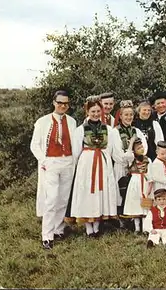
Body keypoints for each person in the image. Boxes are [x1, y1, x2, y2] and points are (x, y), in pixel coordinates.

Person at [66, 96, 134, 237]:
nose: (96, 114)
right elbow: (76, 151)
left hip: (103, 161)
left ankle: (97, 226)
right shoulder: (81, 129)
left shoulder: (108, 129)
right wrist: (83, 163)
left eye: (98, 111)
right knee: (88, 193)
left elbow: (110, 148)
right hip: (87, 163)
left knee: (101, 192)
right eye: (93, 111)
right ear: (87, 112)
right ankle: (88, 228)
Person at [30, 90, 77, 250]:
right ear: (54, 103)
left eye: (66, 103)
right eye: (60, 103)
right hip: (50, 162)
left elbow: (74, 144)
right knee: (51, 198)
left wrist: (74, 161)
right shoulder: (42, 122)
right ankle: (47, 235)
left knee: (63, 198)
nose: (63, 106)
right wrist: (44, 161)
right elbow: (34, 145)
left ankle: (59, 229)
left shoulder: (72, 121)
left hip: (68, 161)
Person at [114, 100, 147, 218]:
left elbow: (144, 147)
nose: (129, 117)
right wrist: (128, 158)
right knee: (121, 190)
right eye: (126, 115)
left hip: (136, 166)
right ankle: (121, 217)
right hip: (121, 166)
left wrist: (136, 158)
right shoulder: (115, 131)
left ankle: (134, 217)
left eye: (131, 115)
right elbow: (117, 152)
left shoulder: (136, 131)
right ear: (121, 116)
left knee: (135, 192)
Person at [122, 138, 153, 234]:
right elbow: (126, 156)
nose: (142, 149)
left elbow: (150, 172)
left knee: (145, 205)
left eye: (142, 147)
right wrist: (131, 143)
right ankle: (137, 228)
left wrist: (150, 184)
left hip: (145, 182)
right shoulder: (132, 160)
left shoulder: (148, 160)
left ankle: (145, 228)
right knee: (135, 204)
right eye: (139, 148)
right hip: (135, 183)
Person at [148, 141, 166, 208]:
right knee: (163, 203)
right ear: (157, 152)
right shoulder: (156, 163)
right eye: (162, 154)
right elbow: (155, 177)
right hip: (160, 186)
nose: (165, 156)